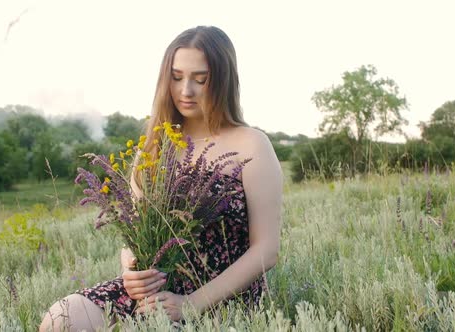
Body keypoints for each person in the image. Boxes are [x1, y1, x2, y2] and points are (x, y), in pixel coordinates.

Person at [39, 25, 283, 331]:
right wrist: (131, 269)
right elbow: (135, 232)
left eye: (201, 79)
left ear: (223, 80)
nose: (186, 90)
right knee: (62, 318)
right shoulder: (155, 147)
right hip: (156, 295)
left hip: (224, 300)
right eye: (177, 77)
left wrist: (191, 304)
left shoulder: (251, 144)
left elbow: (267, 249)